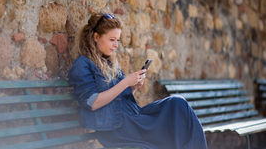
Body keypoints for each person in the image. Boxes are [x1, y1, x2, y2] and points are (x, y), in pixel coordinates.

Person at [68, 13, 208, 149]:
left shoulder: (108, 63)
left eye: (117, 40)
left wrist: (133, 87)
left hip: (132, 118)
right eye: (112, 40)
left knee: (178, 104)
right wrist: (125, 82)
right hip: (115, 129)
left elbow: (120, 97)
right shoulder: (82, 65)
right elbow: (92, 103)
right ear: (96, 37)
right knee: (173, 126)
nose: (116, 45)